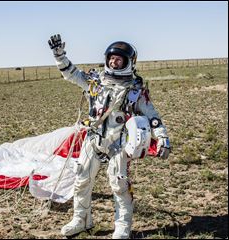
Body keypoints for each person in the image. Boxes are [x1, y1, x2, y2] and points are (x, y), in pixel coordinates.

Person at [48, 34, 170, 239]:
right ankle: (81, 220)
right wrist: (59, 55)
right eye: (112, 58)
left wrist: (162, 137)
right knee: (81, 180)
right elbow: (71, 74)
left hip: (118, 143)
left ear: (128, 62)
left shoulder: (135, 90)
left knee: (119, 185)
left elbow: (152, 116)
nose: (114, 62)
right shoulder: (95, 81)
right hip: (94, 138)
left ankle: (122, 227)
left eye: (119, 59)